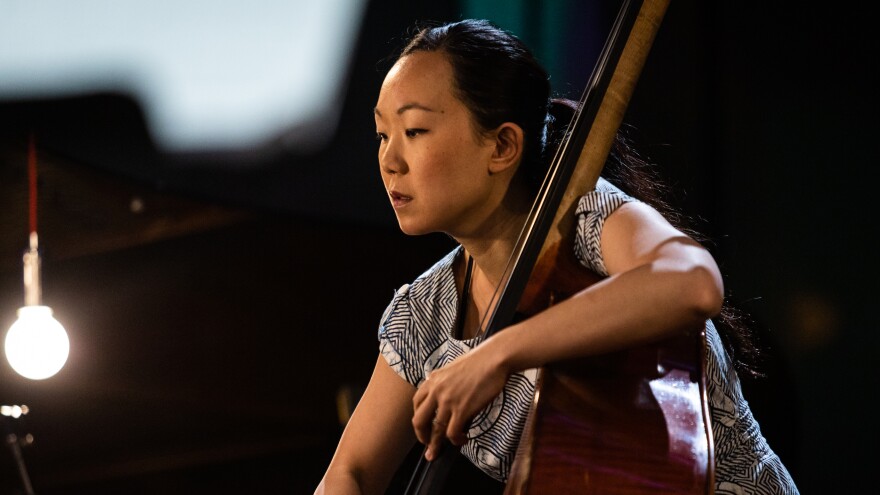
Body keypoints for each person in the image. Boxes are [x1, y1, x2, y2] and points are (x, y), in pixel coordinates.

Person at [315, 18, 799, 495]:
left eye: (415, 131)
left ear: (503, 145)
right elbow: (350, 473)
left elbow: (693, 282)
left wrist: (498, 353)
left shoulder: (585, 222)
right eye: (382, 135)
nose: (389, 160)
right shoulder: (424, 317)